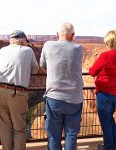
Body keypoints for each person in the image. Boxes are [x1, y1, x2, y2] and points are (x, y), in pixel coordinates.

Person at [0, 30, 39, 150]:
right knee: (19, 129)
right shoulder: (28, 50)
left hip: (0, 91)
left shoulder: (2, 50)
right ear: (22, 42)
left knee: (4, 128)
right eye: (26, 42)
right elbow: (35, 70)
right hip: (16, 93)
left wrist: (4, 72)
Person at [40, 22, 84, 150]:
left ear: (57, 34)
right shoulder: (79, 48)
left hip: (54, 97)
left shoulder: (48, 45)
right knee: (71, 134)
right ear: (73, 35)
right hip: (75, 98)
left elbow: (42, 66)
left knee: (53, 135)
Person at [89, 30, 116, 150]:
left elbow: (92, 71)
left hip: (105, 93)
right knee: (110, 118)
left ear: (109, 42)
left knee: (105, 121)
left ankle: (108, 147)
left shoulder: (105, 55)